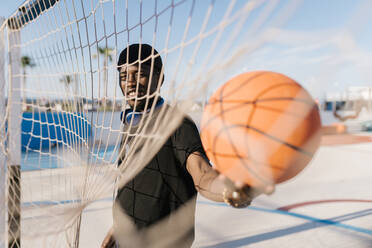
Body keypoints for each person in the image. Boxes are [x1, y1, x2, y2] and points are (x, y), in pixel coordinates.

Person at [101, 44, 273, 248]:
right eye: (123, 76)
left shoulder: (177, 124)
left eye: (140, 74)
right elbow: (130, 182)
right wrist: (116, 227)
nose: (130, 83)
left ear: (160, 78)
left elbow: (202, 173)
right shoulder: (130, 122)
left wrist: (228, 190)